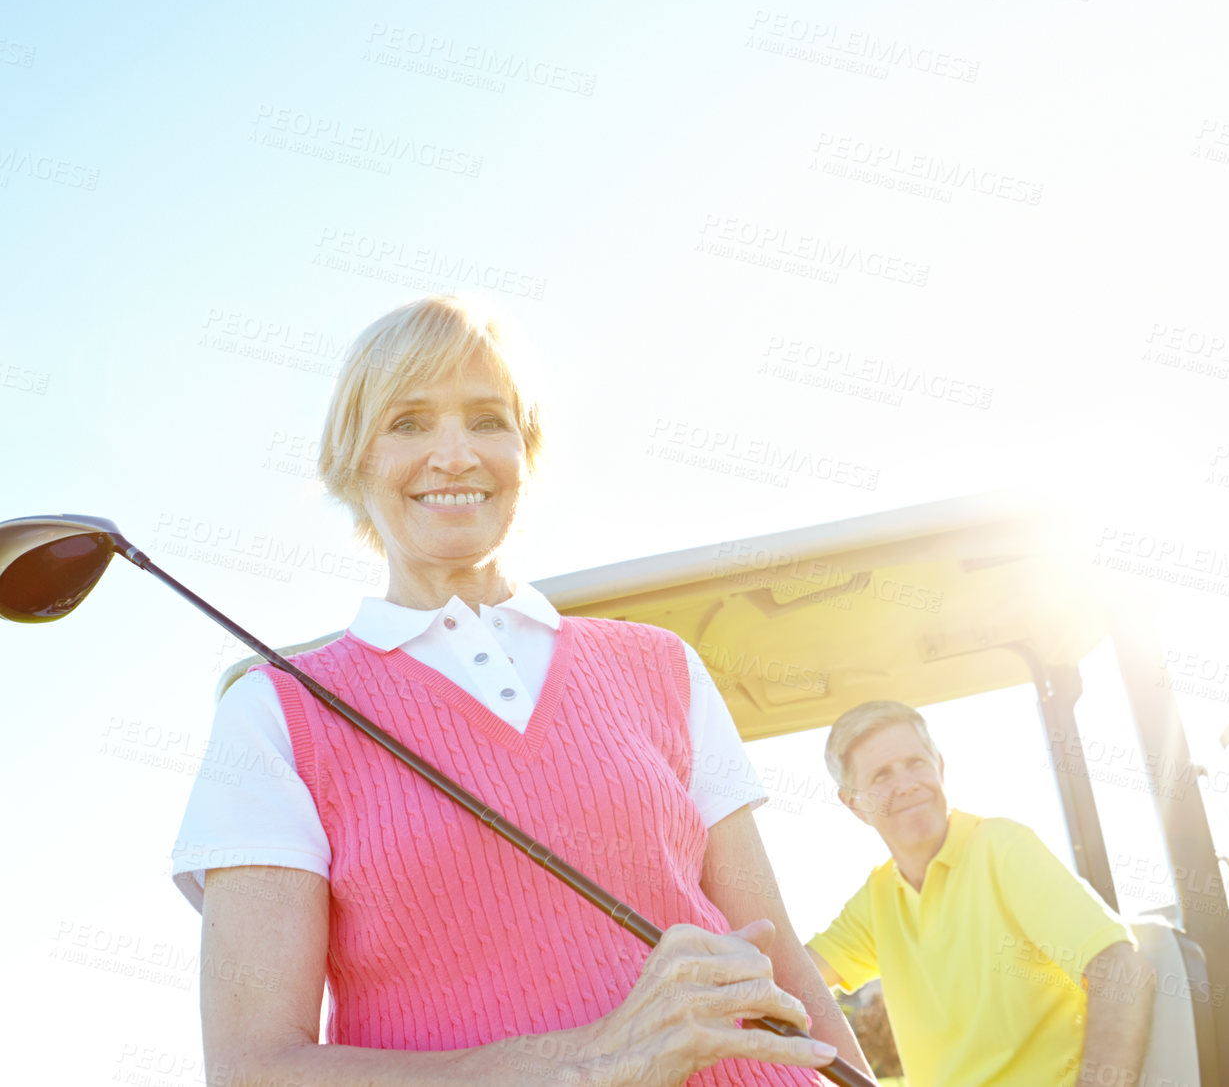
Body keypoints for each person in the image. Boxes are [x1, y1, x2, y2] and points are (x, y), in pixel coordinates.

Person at [173, 296, 871, 1086]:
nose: (453, 454)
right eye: (407, 423)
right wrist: (589, 1060)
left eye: (486, 419)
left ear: (525, 451)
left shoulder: (661, 664)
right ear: (353, 459)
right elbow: (254, 1069)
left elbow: (776, 957)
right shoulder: (274, 714)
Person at [804, 701, 1156, 1087]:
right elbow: (796, 977)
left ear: (939, 767)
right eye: (882, 775)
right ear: (854, 804)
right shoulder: (877, 898)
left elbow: (1121, 969)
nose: (906, 784)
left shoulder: (1001, 848)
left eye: (916, 763)